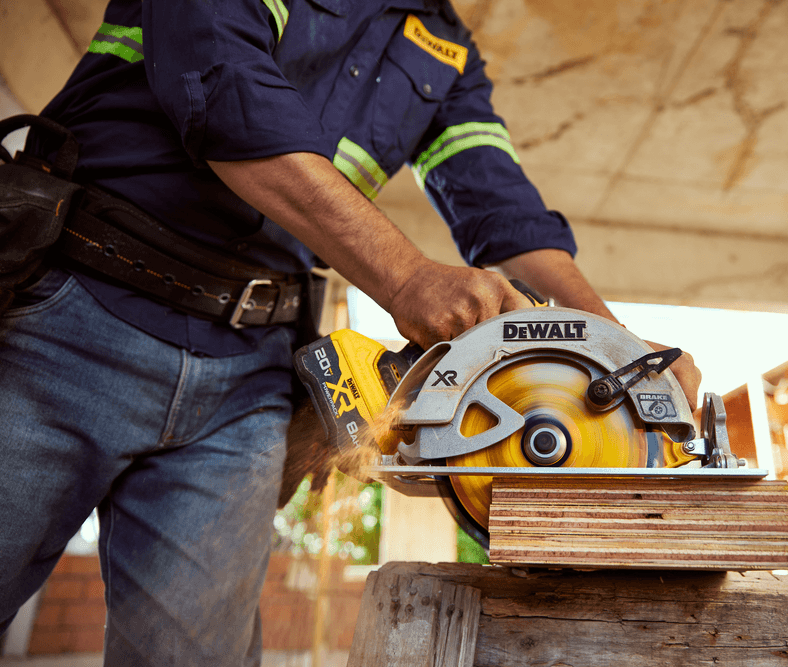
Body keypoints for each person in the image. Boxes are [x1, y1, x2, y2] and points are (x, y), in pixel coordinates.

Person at [0, 0, 701, 664]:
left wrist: (622, 351)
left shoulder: (444, 45)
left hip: (245, 381)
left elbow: (502, 208)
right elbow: (220, 89)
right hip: (74, 314)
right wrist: (404, 278)